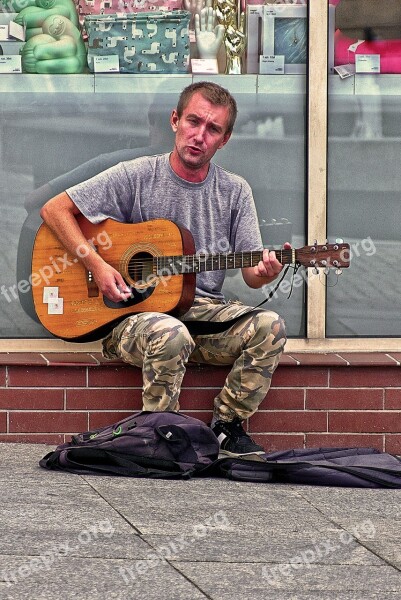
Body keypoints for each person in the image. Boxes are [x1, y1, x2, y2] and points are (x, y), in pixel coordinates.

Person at [40, 81, 289, 457]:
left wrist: (267, 271)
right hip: (129, 315)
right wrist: (98, 265)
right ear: (175, 120)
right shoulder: (136, 175)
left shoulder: (235, 191)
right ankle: (159, 432)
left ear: (225, 140)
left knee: (270, 327)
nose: (199, 136)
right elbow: (54, 210)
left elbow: (252, 273)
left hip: (201, 311)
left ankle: (226, 426)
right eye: (193, 122)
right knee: (171, 332)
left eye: (213, 129)